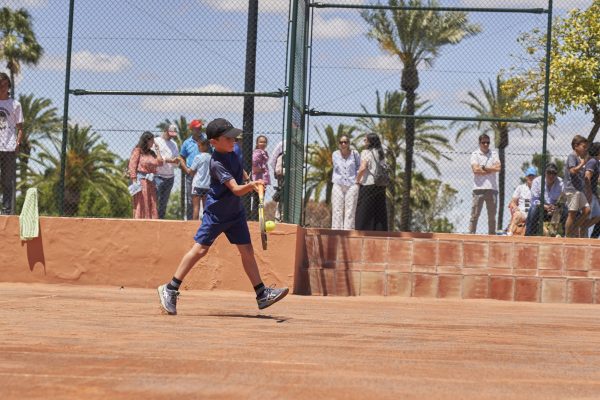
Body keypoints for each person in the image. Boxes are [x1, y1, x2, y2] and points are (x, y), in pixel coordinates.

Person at [157, 118, 288, 315]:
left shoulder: (235, 151)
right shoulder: (216, 162)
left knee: (247, 251)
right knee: (200, 250)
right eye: (227, 138)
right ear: (214, 142)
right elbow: (235, 189)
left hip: (235, 213)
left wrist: (250, 179)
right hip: (217, 213)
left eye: (234, 137)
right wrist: (252, 186)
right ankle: (170, 288)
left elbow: (240, 172)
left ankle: (261, 295)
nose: (233, 141)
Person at [468, 134, 501, 235]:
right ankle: (471, 235)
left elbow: (498, 168)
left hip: (492, 189)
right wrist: (491, 169)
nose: (486, 144)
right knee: (474, 215)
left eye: (488, 142)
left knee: (492, 216)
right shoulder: (475, 154)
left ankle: (491, 236)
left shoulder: (494, 154)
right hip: (478, 189)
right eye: (483, 142)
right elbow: (475, 170)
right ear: (479, 143)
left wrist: (485, 168)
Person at [0, 73, 23, 215]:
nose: (1, 87)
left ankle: (6, 211)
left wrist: (18, 143)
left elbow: (20, 127)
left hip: (8, 147)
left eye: (4, 84)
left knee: (7, 182)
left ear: (8, 85)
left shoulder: (15, 105)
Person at [354, 132, 387, 231]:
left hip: (368, 184)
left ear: (370, 142)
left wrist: (357, 180)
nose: (364, 142)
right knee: (379, 209)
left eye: (365, 140)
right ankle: (379, 231)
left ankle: (363, 230)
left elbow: (363, 168)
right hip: (380, 184)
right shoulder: (381, 153)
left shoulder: (366, 152)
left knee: (364, 210)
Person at [128, 131, 164, 219]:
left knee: (151, 202)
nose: (153, 142)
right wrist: (134, 180)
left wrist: (158, 150)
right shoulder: (138, 150)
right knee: (141, 202)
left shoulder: (152, 153)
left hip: (151, 182)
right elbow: (132, 165)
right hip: (141, 181)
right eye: (151, 140)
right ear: (146, 140)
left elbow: (160, 163)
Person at [525, 163, 566, 236]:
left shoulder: (561, 183)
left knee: (566, 210)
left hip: (555, 209)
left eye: (554, 173)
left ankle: (565, 236)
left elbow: (563, 200)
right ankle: (529, 235)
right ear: (545, 173)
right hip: (541, 209)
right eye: (549, 173)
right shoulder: (537, 181)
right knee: (533, 208)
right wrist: (545, 207)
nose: (551, 175)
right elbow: (534, 200)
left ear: (557, 174)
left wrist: (556, 207)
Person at [563, 135, 590, 237]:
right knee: (572, 213)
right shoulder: (572, 156)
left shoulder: (579, 158)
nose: (585, 149)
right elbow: (572, 170)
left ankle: (574, 228)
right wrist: (582, 164)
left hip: (579, 190)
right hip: (572, 189)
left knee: (587, 211)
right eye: (583, 146)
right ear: (576, 146)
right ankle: (567, 236)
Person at [331, 134, 360, 230]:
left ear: (349, 143)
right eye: (341, 142)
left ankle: (348, 231)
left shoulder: (355, 154)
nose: (343, 144)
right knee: (337, 208)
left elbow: (359, 168)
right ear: (339, 144)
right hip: (338, 184)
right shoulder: (335, 154)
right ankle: (336, 230)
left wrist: (357, 182)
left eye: (345, 142)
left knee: (350, 209)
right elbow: (337, 168)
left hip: (352, 184)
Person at [179, 119, 205, 220]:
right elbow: (181, 157)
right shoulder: (186, 143)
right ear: (192, 129)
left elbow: (211, 155)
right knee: (191, 200)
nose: (199, 129)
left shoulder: (205, 141)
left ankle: (206, 222)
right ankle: (190, 222)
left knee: (206, 199)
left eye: (200, 128)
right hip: (191, 174)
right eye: (197, 128)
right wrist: (186, 169)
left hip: (204, 175)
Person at [154, 124, 180, 219]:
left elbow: (176, 161)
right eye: (170, 134)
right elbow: (156, 159)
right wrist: (169, 160)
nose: (171, 136)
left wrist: (176, 161)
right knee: (155, 201)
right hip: (158, 176)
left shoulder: (174, 144)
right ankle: (154, 220)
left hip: (170, 177)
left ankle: (161, 220)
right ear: (165, 131)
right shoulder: (156, 141)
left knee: (164, 203)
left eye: (173, 134)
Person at [507, 166, 537, 236]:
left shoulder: (538, 189)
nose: (531, 178)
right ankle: (509, 233)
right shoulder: (520, 188)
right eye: (529, 176)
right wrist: (515, 207)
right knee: (517, 215)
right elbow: (513, 202)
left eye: (533, 176)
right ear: (526, 177)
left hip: (534, 214)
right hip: (522, 213)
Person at [188, 138, 211, 220]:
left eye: (199, 145)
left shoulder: (198, 157)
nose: (198, 147)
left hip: (197, 185)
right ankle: (205, 226)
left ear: (205, 146)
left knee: (196, 207)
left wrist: (182, 163)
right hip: (207, 185)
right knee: (206, 208)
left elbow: (191, 171)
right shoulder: (211, 158)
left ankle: (194, 226)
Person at [581, 142, 600, 235]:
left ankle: (583, 229)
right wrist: (588, 194)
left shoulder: (596, 161)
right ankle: (581, 235)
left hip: (593, 193)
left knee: (597, 215)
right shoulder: (592, 161)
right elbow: (587, 176)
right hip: (589, 193)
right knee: (587, 217)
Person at [250, 135, 270, 220]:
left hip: (263, 178)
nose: (263, 143)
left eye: (264, 142)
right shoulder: (258, 152)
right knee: (257, 199)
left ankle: (258, 217)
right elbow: (254, 161)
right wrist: (258, 169)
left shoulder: (264, 152)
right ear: (257, 143)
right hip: (258, 178)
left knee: (260, 199)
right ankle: (255, 217)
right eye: (261, 142)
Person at [270, 140, 284, 222]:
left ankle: (281, 218)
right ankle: (278, 218)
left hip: (291, 174)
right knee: (282, 195)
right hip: (282, 174)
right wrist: (276, 172)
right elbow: (273, 159)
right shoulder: (282, 143)